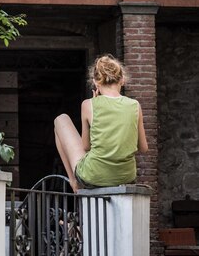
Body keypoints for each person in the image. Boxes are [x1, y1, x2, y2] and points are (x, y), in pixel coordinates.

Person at [54, 54, 148, 193]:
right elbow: (143, 148)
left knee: (60, 120)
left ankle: (74, 182)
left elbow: (86, 146)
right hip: (126, 177)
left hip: (94, 175)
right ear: (122, 80)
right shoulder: (135, 105)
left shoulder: (88, 105)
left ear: (95, 82)